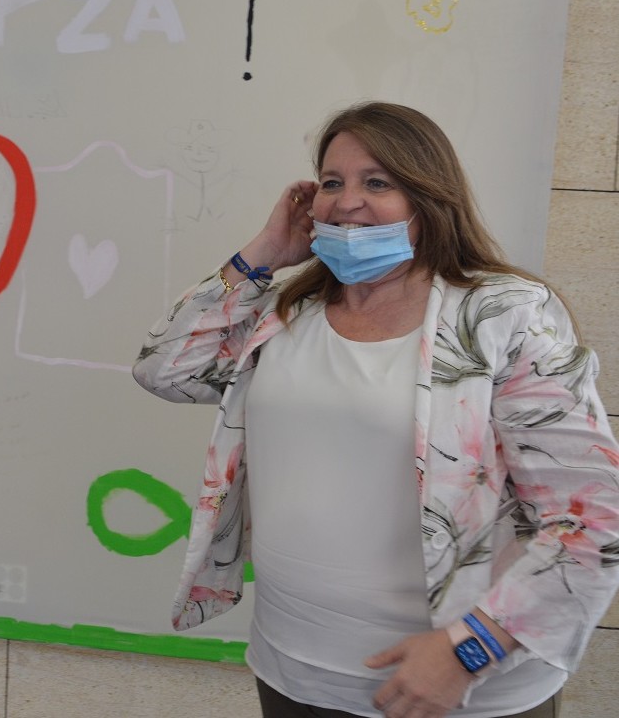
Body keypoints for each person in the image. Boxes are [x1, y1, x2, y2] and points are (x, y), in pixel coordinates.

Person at [132, 101, 619, 718]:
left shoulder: (501, 314)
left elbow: (593, 518)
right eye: (331, 183)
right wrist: (266, 250)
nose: (348, 201)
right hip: (292, 669)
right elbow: (164, 368)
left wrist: (472, 650)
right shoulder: (286, 312)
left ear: (428, 199)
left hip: (454, 685)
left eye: (378, 183)